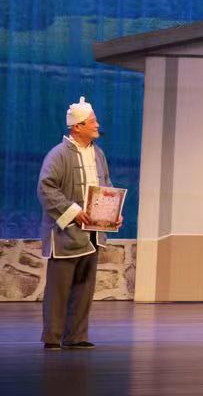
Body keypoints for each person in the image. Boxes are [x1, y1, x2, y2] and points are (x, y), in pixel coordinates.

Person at [37, 96, 122, 350]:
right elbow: (46, 188)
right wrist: (73, 211)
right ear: (78, 126)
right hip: (66, 233)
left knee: (85, 286)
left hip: (92, 232)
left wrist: (113, 213)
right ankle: (53, 337)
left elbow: (105, 185)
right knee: (59, 289)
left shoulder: (98, 154)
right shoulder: (58, 155)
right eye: (92, 121)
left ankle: (76, 336)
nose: (97, 125)